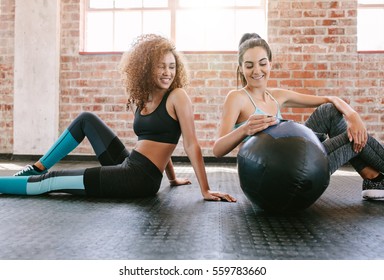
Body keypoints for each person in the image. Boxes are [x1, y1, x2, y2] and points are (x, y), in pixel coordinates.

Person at [1, 34, 236, 202]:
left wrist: (205, 190)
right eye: (161, 66)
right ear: (145, 68)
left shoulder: (177, 96)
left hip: (138, 179)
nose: (167, 72)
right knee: (86, 119)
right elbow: (163, 138)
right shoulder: (144, 97)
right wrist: (172, 179)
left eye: (172, 66)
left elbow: (190, 143)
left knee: (51, 181)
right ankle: (36, 167)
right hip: (129, 164)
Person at [213, 32, 384, 200]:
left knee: (329, 111)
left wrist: (353, 116)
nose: (257, 70)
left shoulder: (277, 95)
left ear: (270, 64)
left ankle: (372, 178)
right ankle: (374, 177)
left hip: (297, 162)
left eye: (262, 63)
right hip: (280, 176)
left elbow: (330, 99)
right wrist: (245, 129)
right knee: (353, 137)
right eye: (249, 65)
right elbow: (218, 149)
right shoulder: (236, 98)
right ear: (241, 69)